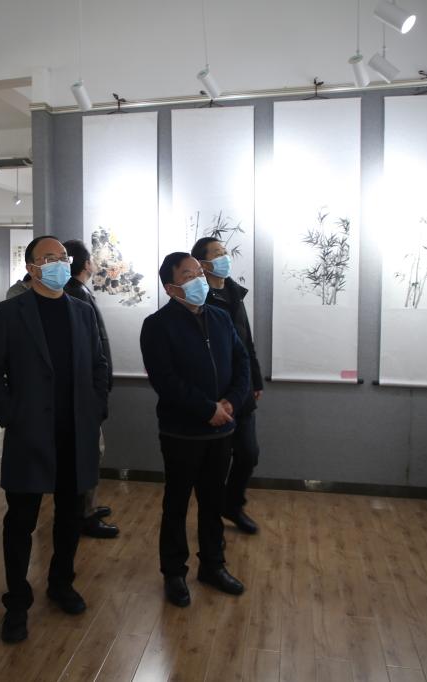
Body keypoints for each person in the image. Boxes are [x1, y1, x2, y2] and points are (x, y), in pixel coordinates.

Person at [0, 235, 109, 644]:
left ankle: (61, 583)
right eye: (48, 258)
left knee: (70, 516)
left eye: (62, 257)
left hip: (75, 431)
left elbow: (99, 364)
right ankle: (17, 601)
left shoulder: (81, 311)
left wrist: (95, 407)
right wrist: (10, 414)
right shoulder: (8, 312)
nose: (58, 263)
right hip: (29, 432)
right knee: (21, 520)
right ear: (32, 267)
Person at [139, 252, 250, 608]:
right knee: (176, 503)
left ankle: (213, 566)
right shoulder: (157, 325)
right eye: (189, 275)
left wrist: (231, 402)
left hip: (222, 431)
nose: (199, 279)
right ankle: (174, 572)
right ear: (171, 288)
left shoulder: (219, 316)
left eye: (199, 272)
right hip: (181, 433)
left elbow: (242, 362)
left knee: (212, 502)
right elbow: (165, 380)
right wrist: (207, 409)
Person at [191, 237, 264, 534]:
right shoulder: (199, 297)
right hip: (214, 392)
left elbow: (246, 341)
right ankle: (211, 522)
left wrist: (255, 379)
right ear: (203, 263)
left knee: (248, 453)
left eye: (225, 252)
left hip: (241, 388)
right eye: (218, 253)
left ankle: (232, 505)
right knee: (212, 463)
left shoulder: (234, 293)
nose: (225, 257)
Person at [62, 239, 119, 539]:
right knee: (89, 453)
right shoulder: (75, 295)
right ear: (86, 264)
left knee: (92, 451)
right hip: (84, 395)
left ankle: (87, 507)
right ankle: (83, 514)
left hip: (89, 392)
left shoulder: (78, 292)